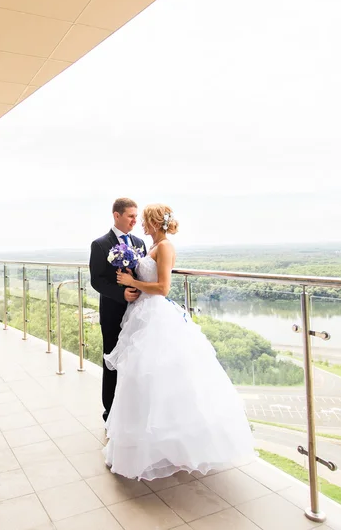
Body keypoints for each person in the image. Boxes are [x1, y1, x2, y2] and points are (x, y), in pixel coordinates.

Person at [103, 203, 255, 480]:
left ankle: (170, 446)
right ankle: (142, 445)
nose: (141, 225)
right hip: (141, 315)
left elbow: (162, 288)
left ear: (154, 222)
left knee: (159, 377)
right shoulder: (150, 247)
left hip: (157, 316)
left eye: (145, 220)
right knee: (139, 379)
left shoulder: (165, 248)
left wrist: (131, 281)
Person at [89, 198, 146, 422]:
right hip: (113, 312)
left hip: (138, 311)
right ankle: (110, 413)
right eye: (131, 216)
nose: (135, 220)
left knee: (136, 362)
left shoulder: (140, 243)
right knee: (112, 360)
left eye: (136, 216)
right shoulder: (100, 244)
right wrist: (121, 293)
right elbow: (97, 281)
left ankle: (132, 412)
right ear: (117, 215)